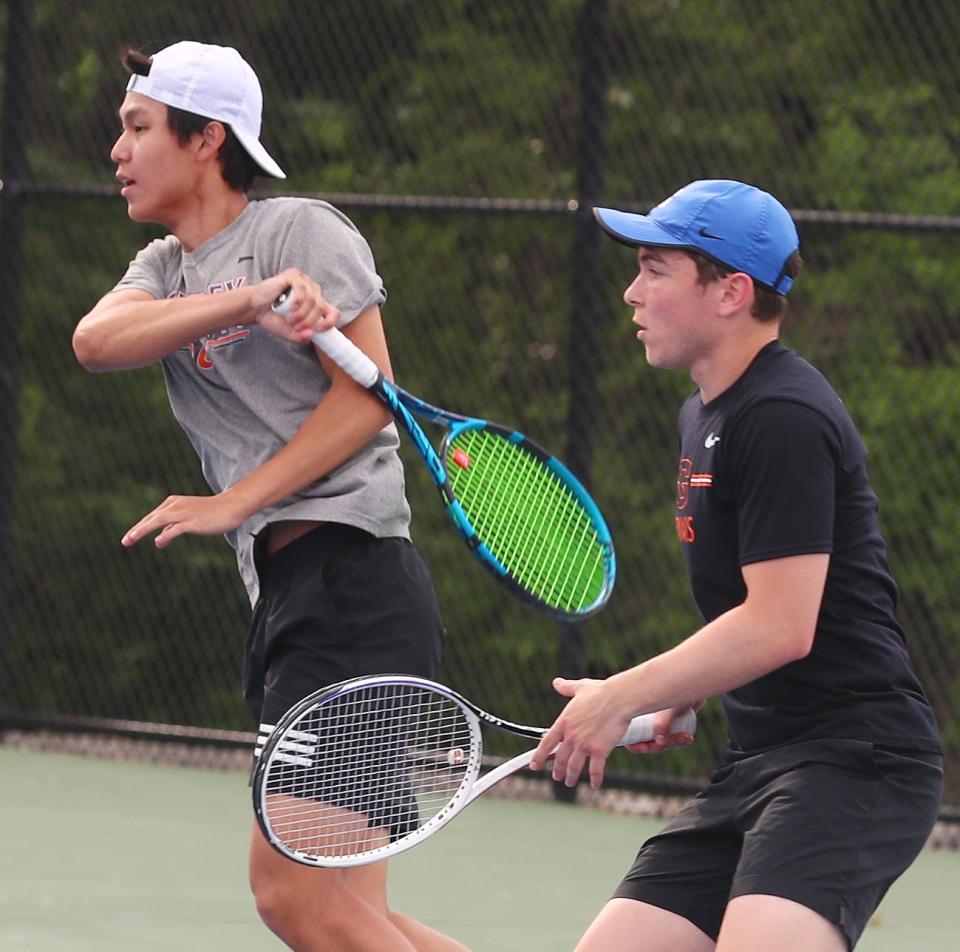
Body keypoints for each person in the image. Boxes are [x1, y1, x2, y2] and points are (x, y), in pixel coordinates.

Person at [72, 40, 469, 952]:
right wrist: (248, 303)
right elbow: (98, 340)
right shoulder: (166, 269)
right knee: (344, 913)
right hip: (295, 598)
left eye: (138, 128)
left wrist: (230, 501)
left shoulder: (301, 229)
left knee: (298, 901)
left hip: (352, 584)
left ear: (206, 138)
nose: (117, 151)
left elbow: (372, 399)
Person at [529, 179, 943, 952]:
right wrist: (675, 699)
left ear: (730, 292)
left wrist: (623, 694)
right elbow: (745, 615)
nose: (630, 292)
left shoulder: (782, 415)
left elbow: (782, 624)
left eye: (655, 270)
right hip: (757, 763)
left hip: (855, 759)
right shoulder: (706, 412)